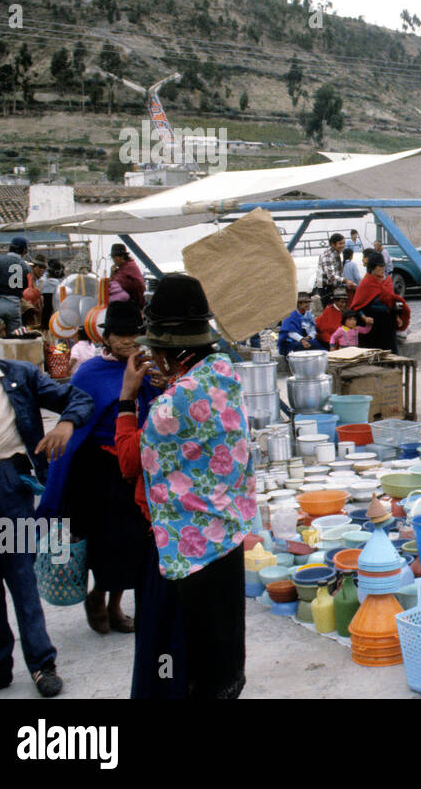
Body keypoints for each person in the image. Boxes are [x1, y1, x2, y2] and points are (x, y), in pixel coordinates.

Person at [113, 274, 256, 698]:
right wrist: (172, 383)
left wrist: (126, 397)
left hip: (182, 550)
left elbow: (127, 462)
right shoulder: (222, 372)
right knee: (222, 646)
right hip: (225, 539)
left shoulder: (169, 404)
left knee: (177, 658)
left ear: (169, 347)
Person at [0, 284, 94, 698]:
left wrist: (65, 424)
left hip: (8, 489)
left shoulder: (15, 376)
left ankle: (41, 663)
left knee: (22, 579)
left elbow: (78, 397)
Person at [37, 301, 160, 636]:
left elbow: (155, 408)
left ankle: (116, 603)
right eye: (120, 334)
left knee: (130, 539)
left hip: (132, 463)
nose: (128, 341)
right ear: (107, 338)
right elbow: (75, 415)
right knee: (102, 539)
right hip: (97, 468)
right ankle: (98, 597)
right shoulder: (90, 373)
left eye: (134, 334)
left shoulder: (147, 368)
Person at [352, 256, 410, 353]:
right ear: (372, 268)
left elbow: (392, 302)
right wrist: (364, 318)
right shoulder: (365, 283)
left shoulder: (387, 281)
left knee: (391, 350)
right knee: (376, 353)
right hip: (373, 325)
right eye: (379, 266)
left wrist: (397, 317)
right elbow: (357, 306)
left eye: (383, 266)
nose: (382, 269)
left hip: (387, 322)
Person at [0, 236, 29, 335]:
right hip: (14, 304)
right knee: (15, 336)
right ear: (24, 250)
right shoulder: (24, 266)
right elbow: (26, 289)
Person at [278, 292, 326, 357]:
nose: (308, 304)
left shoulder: (308, 315)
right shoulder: (291, 315)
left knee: (317, 343)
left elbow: (313, 330)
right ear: (299, 304)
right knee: (314, 344)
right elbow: (291, 332)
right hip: (292, 342)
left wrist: (309, 337)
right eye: (305, 303)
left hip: (306, 340)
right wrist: (302, 340)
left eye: (308, 302)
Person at [108, 243, 147, 307]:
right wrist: (112, 274)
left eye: (115, 257)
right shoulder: (121, 269)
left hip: (132, 304)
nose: (114, 260)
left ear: (122, 256)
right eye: (113, 258)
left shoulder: (129, 267)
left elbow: (139, 286)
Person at [315, 234, 347, 304]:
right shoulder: (328, 255)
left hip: (331, 286)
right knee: (329, 309)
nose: (343, 245)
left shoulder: (336, 253)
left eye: (344, 243)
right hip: (325, 287)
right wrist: (345, 281)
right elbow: (331, 277)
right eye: (340, 243)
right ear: (333, 244)